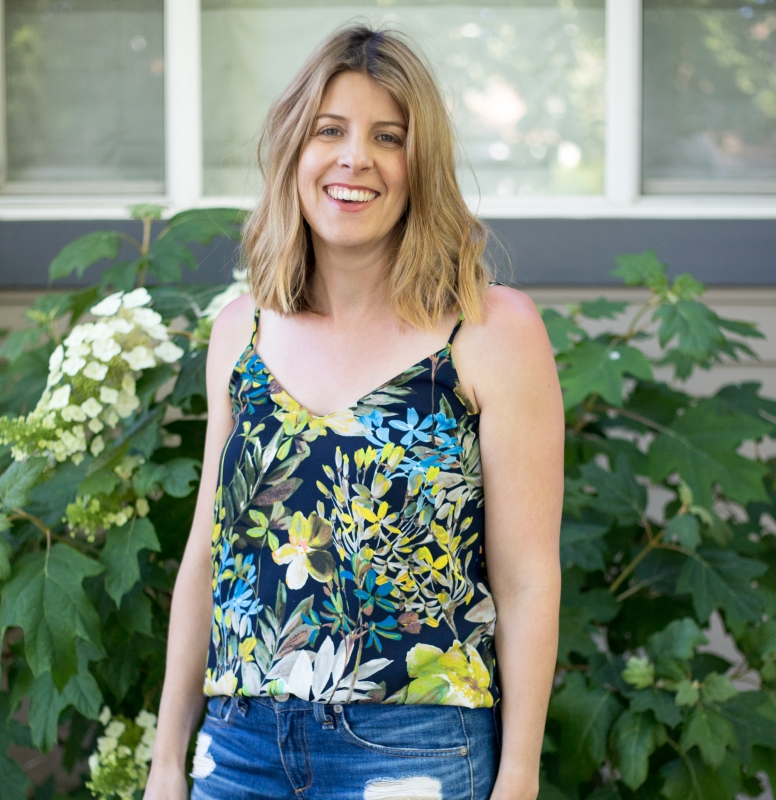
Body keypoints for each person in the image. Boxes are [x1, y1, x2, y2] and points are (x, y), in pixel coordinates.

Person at [144, 24, 563, 800]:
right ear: (294, 151)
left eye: (388, 137)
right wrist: (168, 763)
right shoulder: (243, 330)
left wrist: (519, 779)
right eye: (329, 130)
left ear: (420, 165)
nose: (354, 158)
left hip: (418, 745)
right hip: (237, 751)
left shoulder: (490, 330)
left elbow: (528, 578)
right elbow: (206, 553)